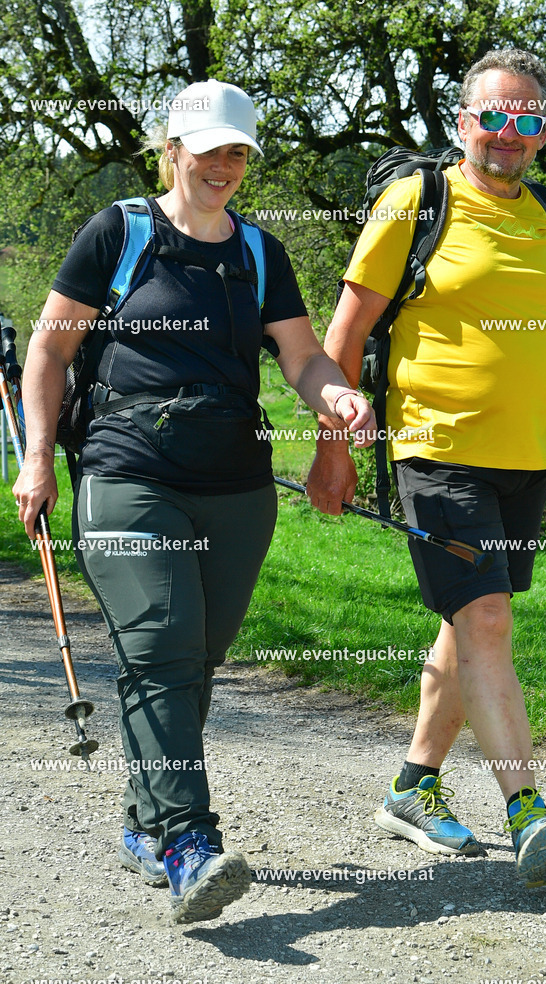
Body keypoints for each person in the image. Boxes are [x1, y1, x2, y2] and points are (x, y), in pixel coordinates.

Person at [13, 78, 375, 923]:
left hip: (236, 488)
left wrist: (337, 398)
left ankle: (144, 825)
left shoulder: (258, 254)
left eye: (237, 152)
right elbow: (49, 350)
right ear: (170, 149)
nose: (223, 166)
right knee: (162, 652)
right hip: (127, 472)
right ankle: (187, 842)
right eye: (207, 149)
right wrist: (38, 459)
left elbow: (302, 360)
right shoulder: (120, 232)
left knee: (192, 662)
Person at [307, 49, 546, 887]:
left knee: (467, 627)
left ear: (545, 133)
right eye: (492, 117)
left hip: (527, 459)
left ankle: (412, 787)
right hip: (436, 450)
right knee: (486, 618)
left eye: (525, 120)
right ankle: (525, 806)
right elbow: (342, 336)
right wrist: (332, 450)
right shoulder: (414, 203)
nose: (507, 135)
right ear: (462, 125)